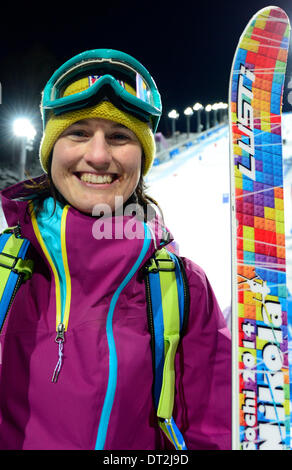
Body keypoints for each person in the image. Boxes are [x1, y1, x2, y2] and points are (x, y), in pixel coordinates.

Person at [0, 49, 231, 450]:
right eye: (78, 133)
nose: (99, 155)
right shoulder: (7, 270)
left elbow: (213, 433)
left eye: (120, 137)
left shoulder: (183, 289)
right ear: (51, 149)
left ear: (142, 156)